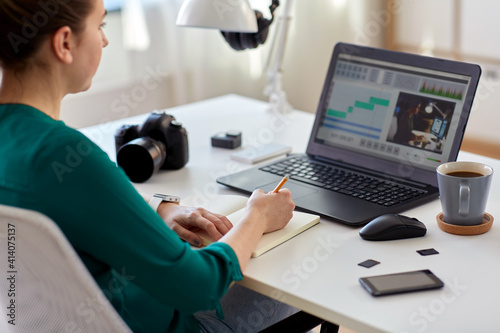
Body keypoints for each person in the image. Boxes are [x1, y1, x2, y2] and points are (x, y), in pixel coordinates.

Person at [0, 0, 298, 332]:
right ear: (65, 43)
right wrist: (257, 216)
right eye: (101, 26)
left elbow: (79, 209)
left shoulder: (26, 146)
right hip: (155, 321)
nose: (105, 40)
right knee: (292, 279)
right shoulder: (65, 153)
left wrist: (158, 211)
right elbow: (200, 287)